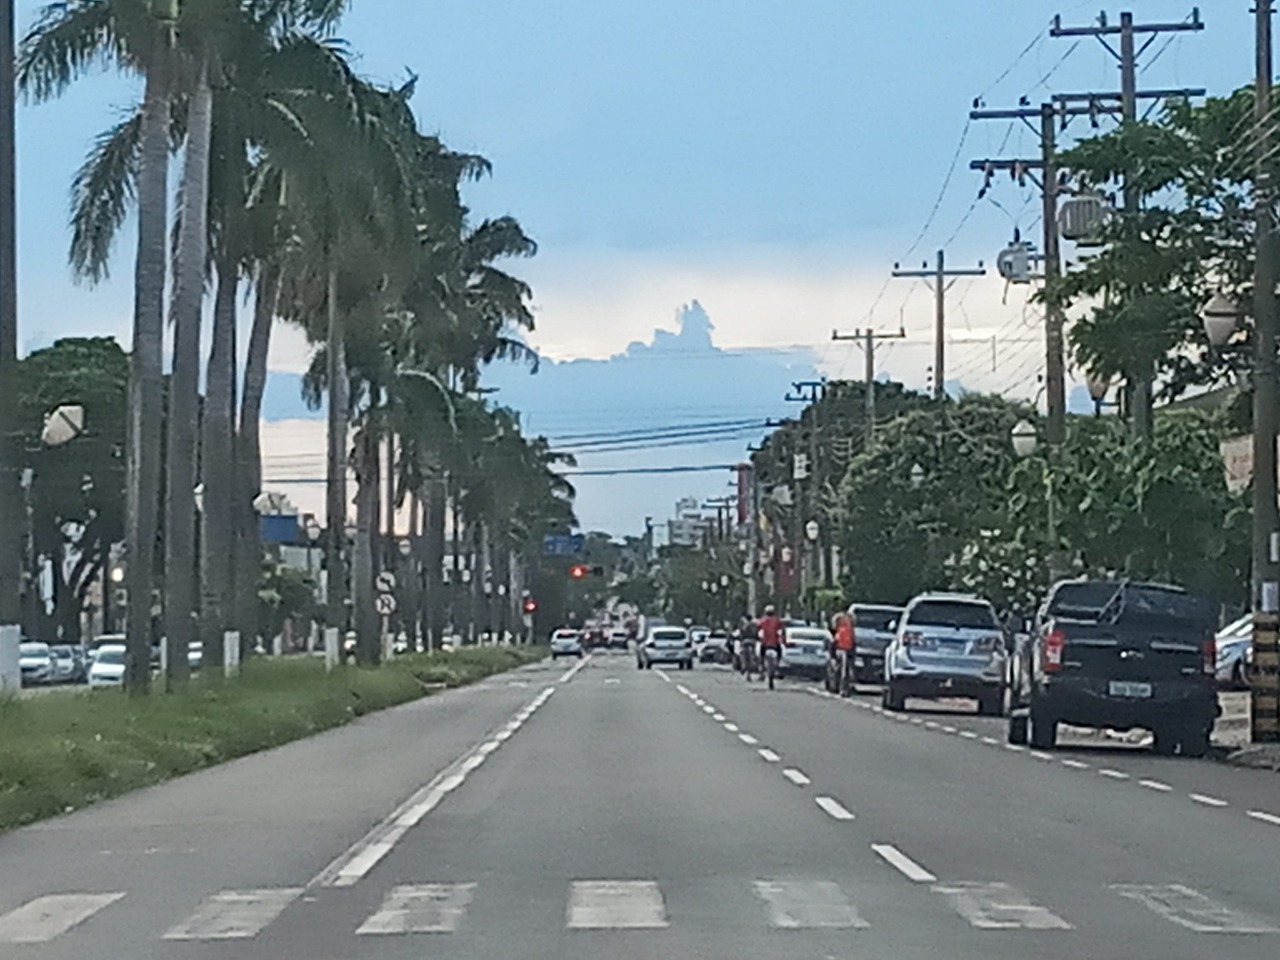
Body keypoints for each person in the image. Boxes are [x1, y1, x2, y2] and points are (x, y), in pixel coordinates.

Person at [757, 605, 783, 685]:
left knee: (761, 655)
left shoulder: (762, 620)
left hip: (765, 643)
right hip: (775, 643)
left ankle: (761, 668)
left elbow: (758, 628)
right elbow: (781, 629)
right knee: (779, 653)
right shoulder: (777, 620)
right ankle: (778, 665)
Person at [832, 610, 855, 697]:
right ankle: (842, 689)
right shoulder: (842, 629)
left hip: (846, 649)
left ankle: (843, 688)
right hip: (842, 649)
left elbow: (852, 640)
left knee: (845, 671)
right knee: (844, 671)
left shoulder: (848, 629)